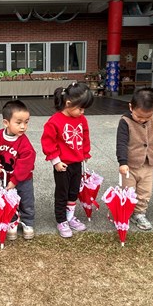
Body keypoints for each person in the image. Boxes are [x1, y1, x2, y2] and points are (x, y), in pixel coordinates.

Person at [41, 81, 93, 238]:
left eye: (85, 109)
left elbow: (84, 136)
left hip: (77, 163)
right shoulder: (54, 121)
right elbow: (48, 142)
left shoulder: (82, 120)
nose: (82, 112)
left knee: (73, 192)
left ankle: (70, 217)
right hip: (62, 165)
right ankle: (61, 220)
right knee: (62, 193)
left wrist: (85, 153)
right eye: (80, 108)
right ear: (68, 103)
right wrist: (55, 161)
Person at [0, 100, 37, 241]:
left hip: (23, 179)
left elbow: (26, 163)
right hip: (6, 178)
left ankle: (27, 222)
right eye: (19, 122)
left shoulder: (23, 142)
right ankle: (12, 221)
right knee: (9, 201)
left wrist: (15, 180)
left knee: (26, 200)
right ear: (6, 123)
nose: (23, 126)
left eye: (26, 122)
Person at [116, 87, 153, 231]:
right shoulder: (125, 122)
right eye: (139, 117)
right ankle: (125, 211)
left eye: (147, 117)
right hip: (129, 165)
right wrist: (122, 162)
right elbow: (121, 143)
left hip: (148, 163)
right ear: (131, 107)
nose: (143, 120)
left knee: (145, 191)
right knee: (128, 190)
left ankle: (140, 213)